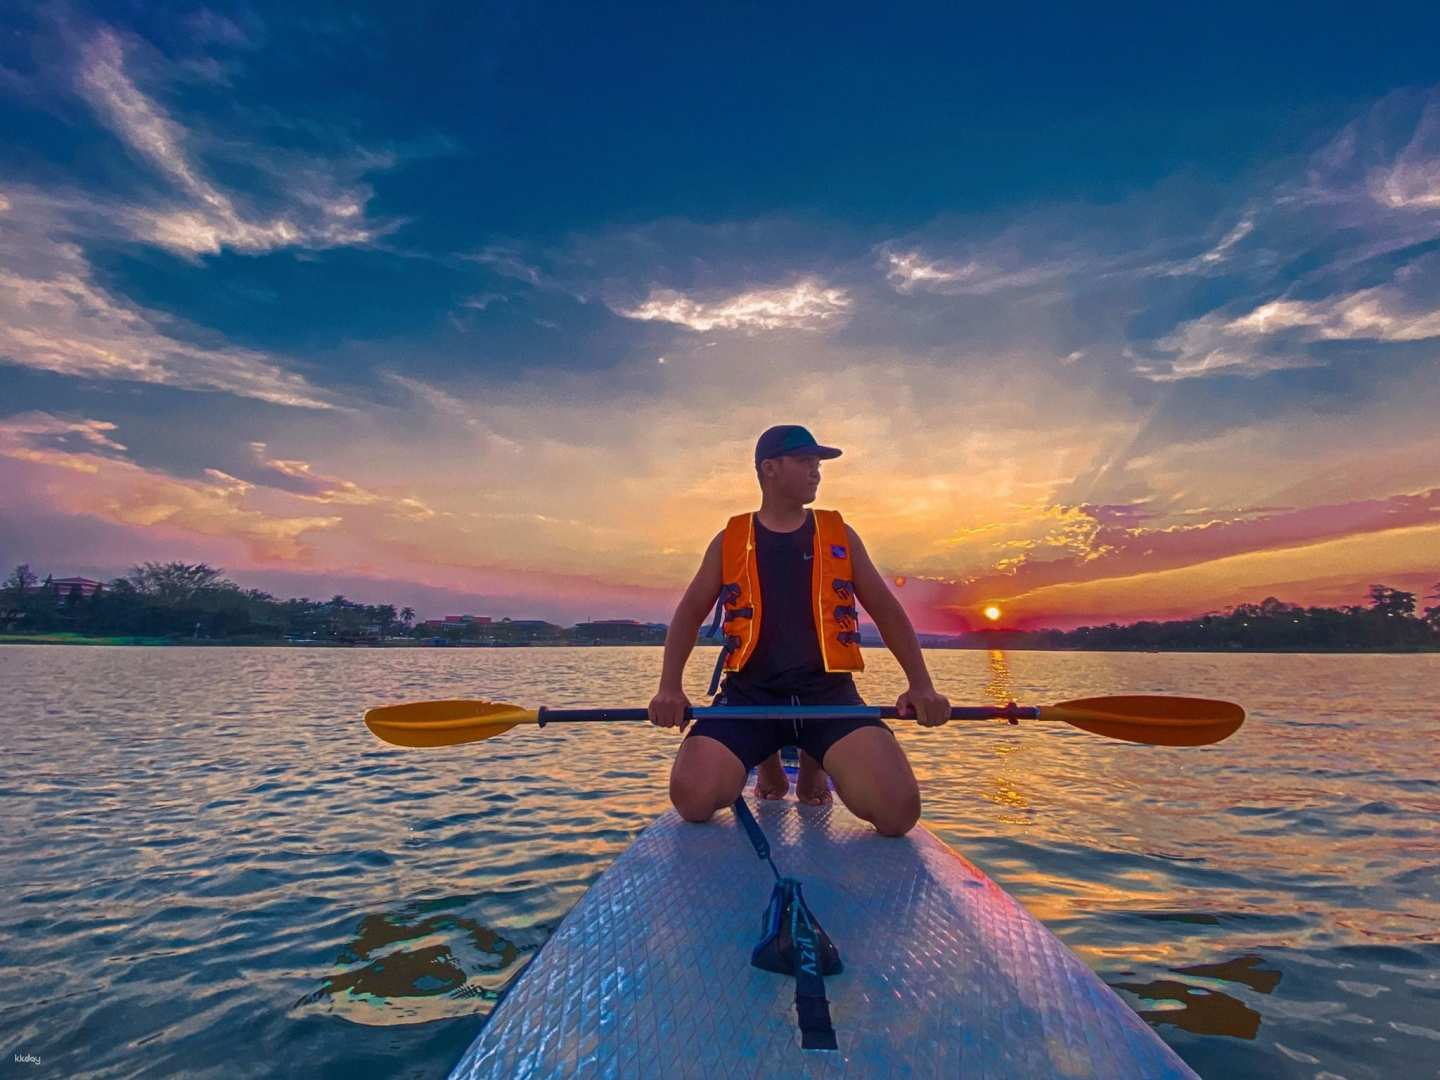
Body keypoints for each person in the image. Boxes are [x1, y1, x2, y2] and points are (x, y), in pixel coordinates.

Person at [648, 424, 950, 837]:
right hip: (750, 698)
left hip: (828, 698)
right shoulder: (729, 540)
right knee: (693, 801)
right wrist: (669, 688)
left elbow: (886, 610)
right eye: (805, 461)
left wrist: (922, 686)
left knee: (898, 814)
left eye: (818, 463)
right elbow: (687, 615)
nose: (816, 471)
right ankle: (766, 759)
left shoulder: (840, 535)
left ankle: (815, 760)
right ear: (769, 468)